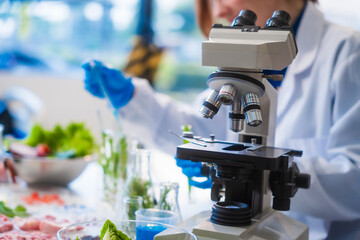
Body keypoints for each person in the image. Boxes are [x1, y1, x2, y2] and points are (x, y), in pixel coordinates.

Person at [83, 0, 360, 239]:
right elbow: (202, 128)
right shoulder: (246, 61)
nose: (220, 9)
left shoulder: (348, 52)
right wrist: (132, 98)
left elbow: (355, 180)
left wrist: (270, 176)